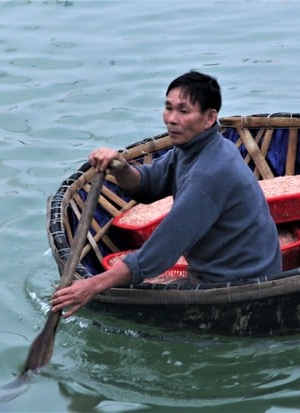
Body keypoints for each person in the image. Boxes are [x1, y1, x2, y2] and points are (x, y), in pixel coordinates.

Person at [51, 70, 281, 318]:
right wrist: (120, 166)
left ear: (209, 118)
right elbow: (147, 185)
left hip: (241, 285)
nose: (171, 119)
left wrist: (91, 286)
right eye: (168, 108)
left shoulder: (210, 174)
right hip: (222, 271)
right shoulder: (192, 149)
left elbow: (161, 252)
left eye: (183, 111)